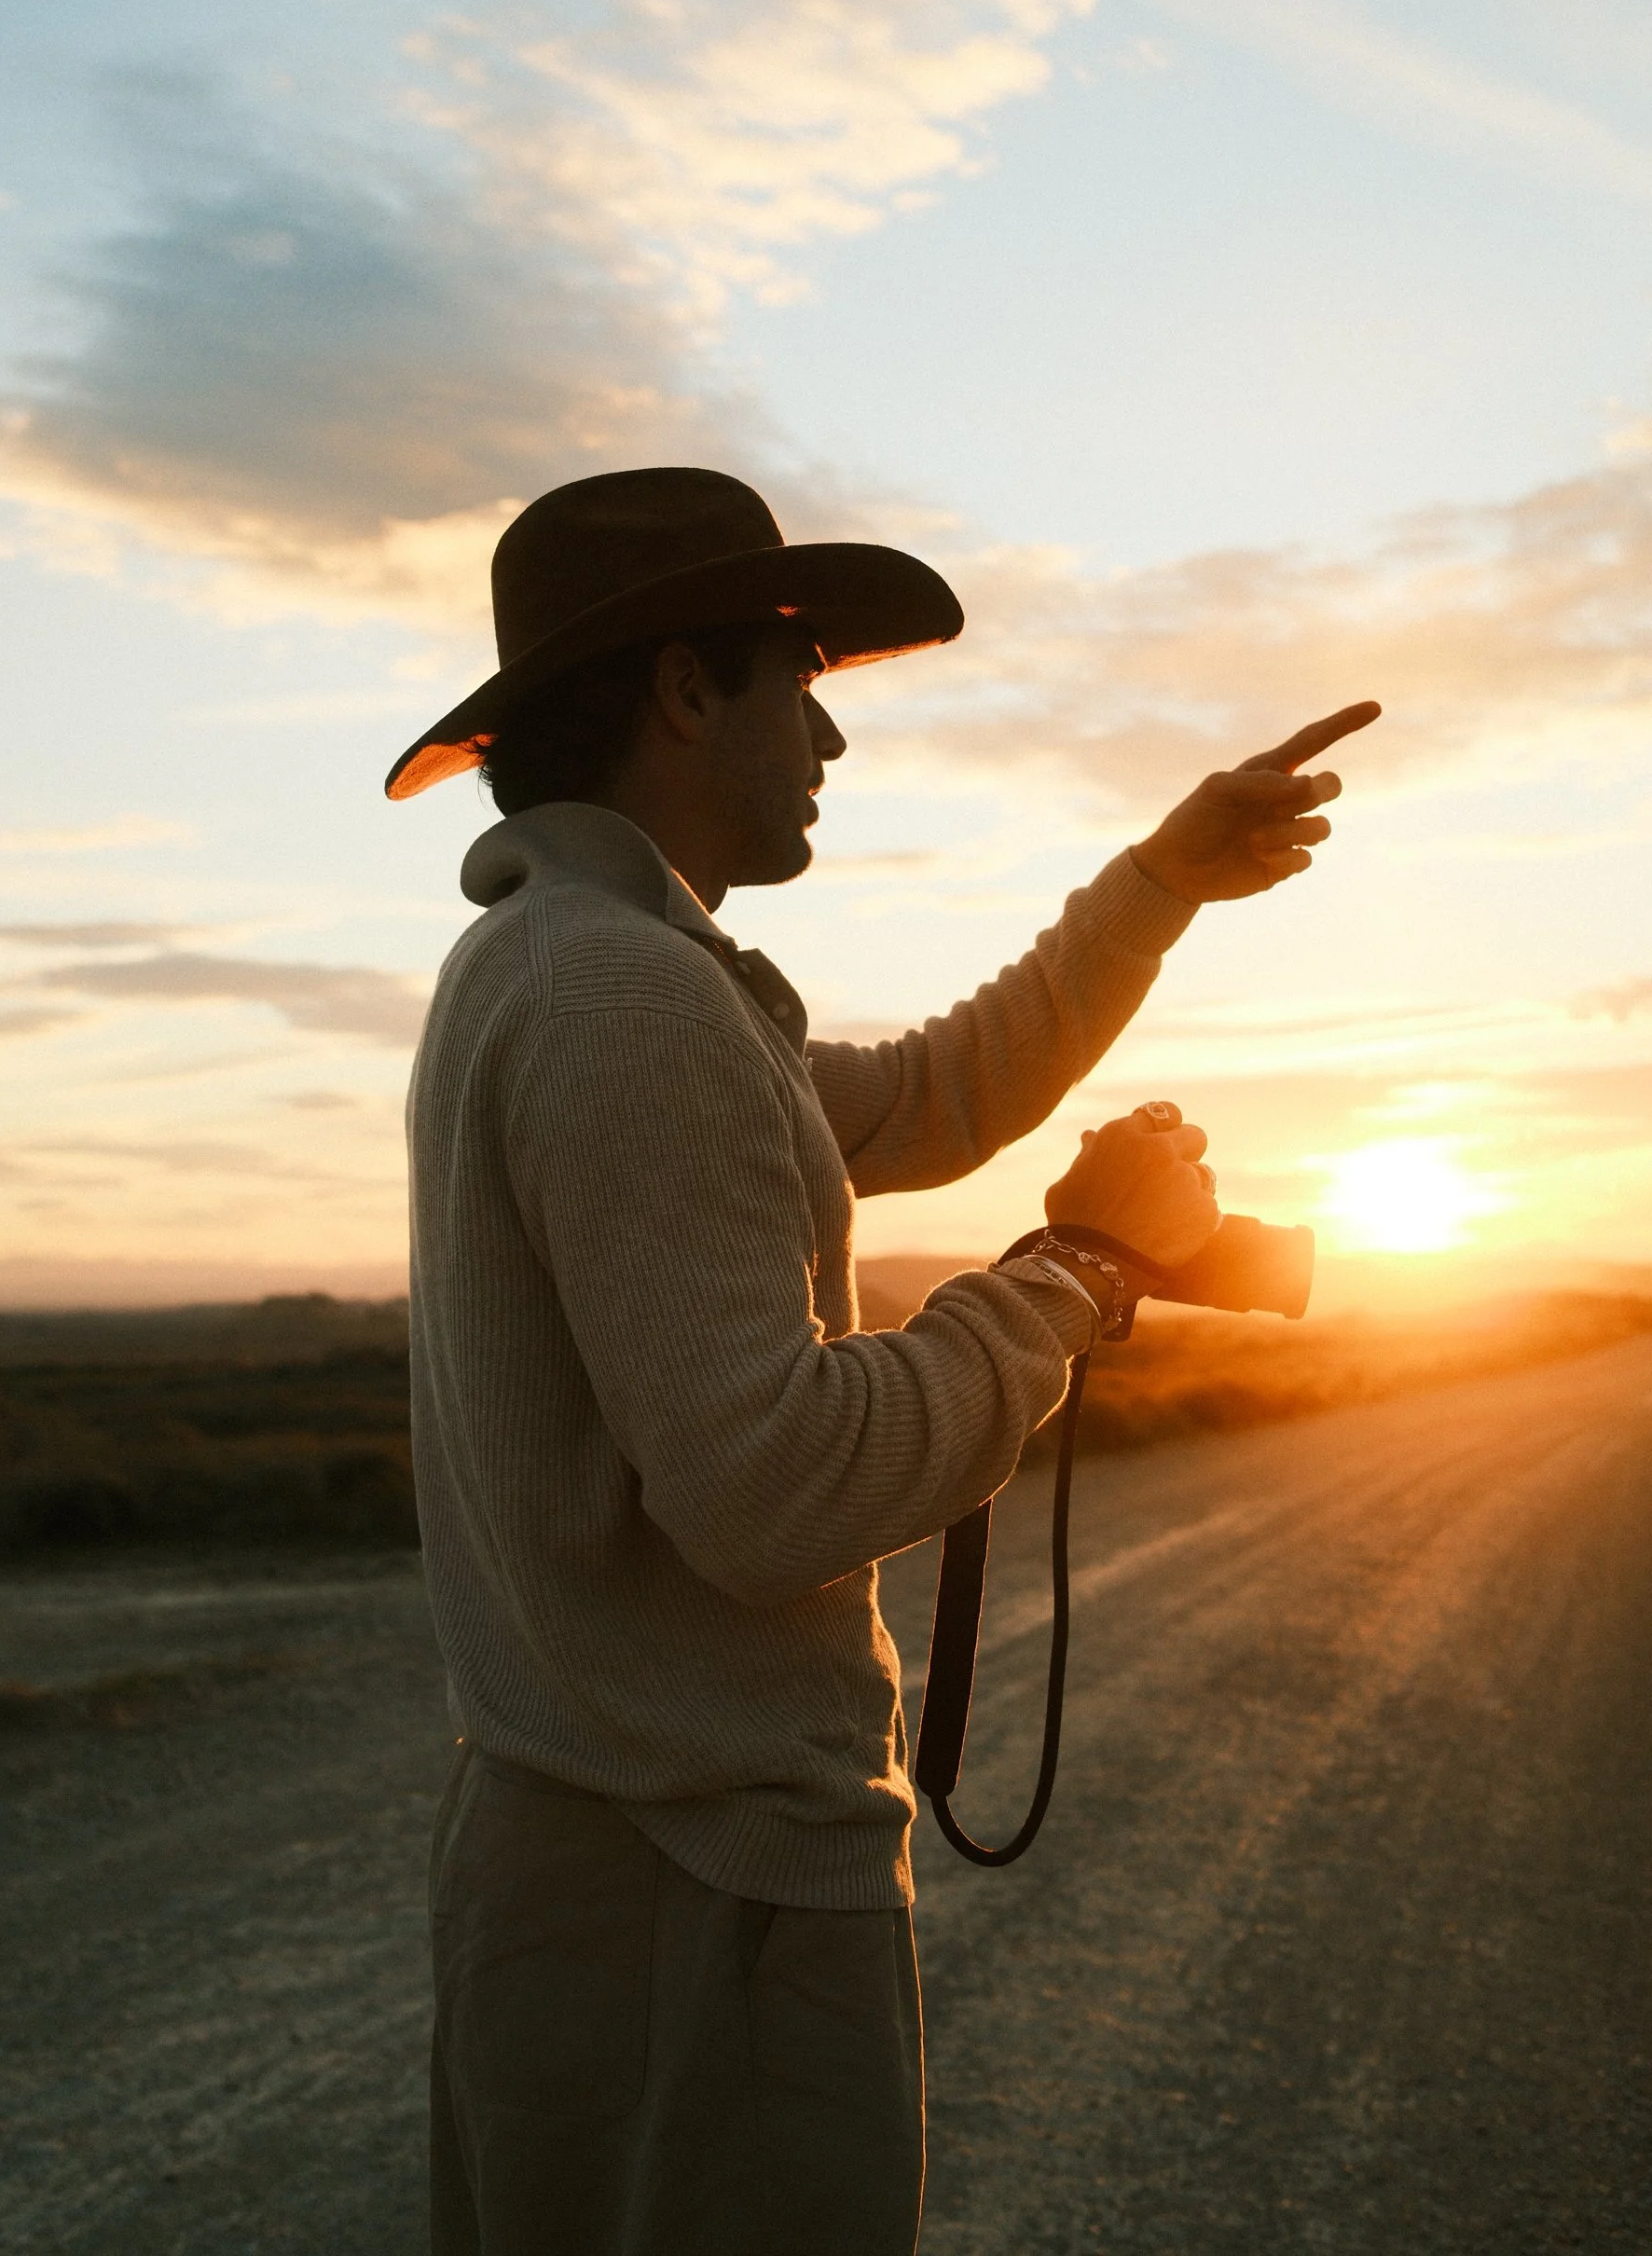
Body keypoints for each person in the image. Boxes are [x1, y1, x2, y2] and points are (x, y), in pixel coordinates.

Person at [387, 466, 1378, 2256]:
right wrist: (1077, 1267)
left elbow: (932, 1096)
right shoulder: (622, 999)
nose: (833, 734)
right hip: (693, 1892)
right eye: (800, 678)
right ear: (687, 692)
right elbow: (776, 1491)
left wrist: (1159, 886)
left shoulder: (574, 962)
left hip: (601, 1863)